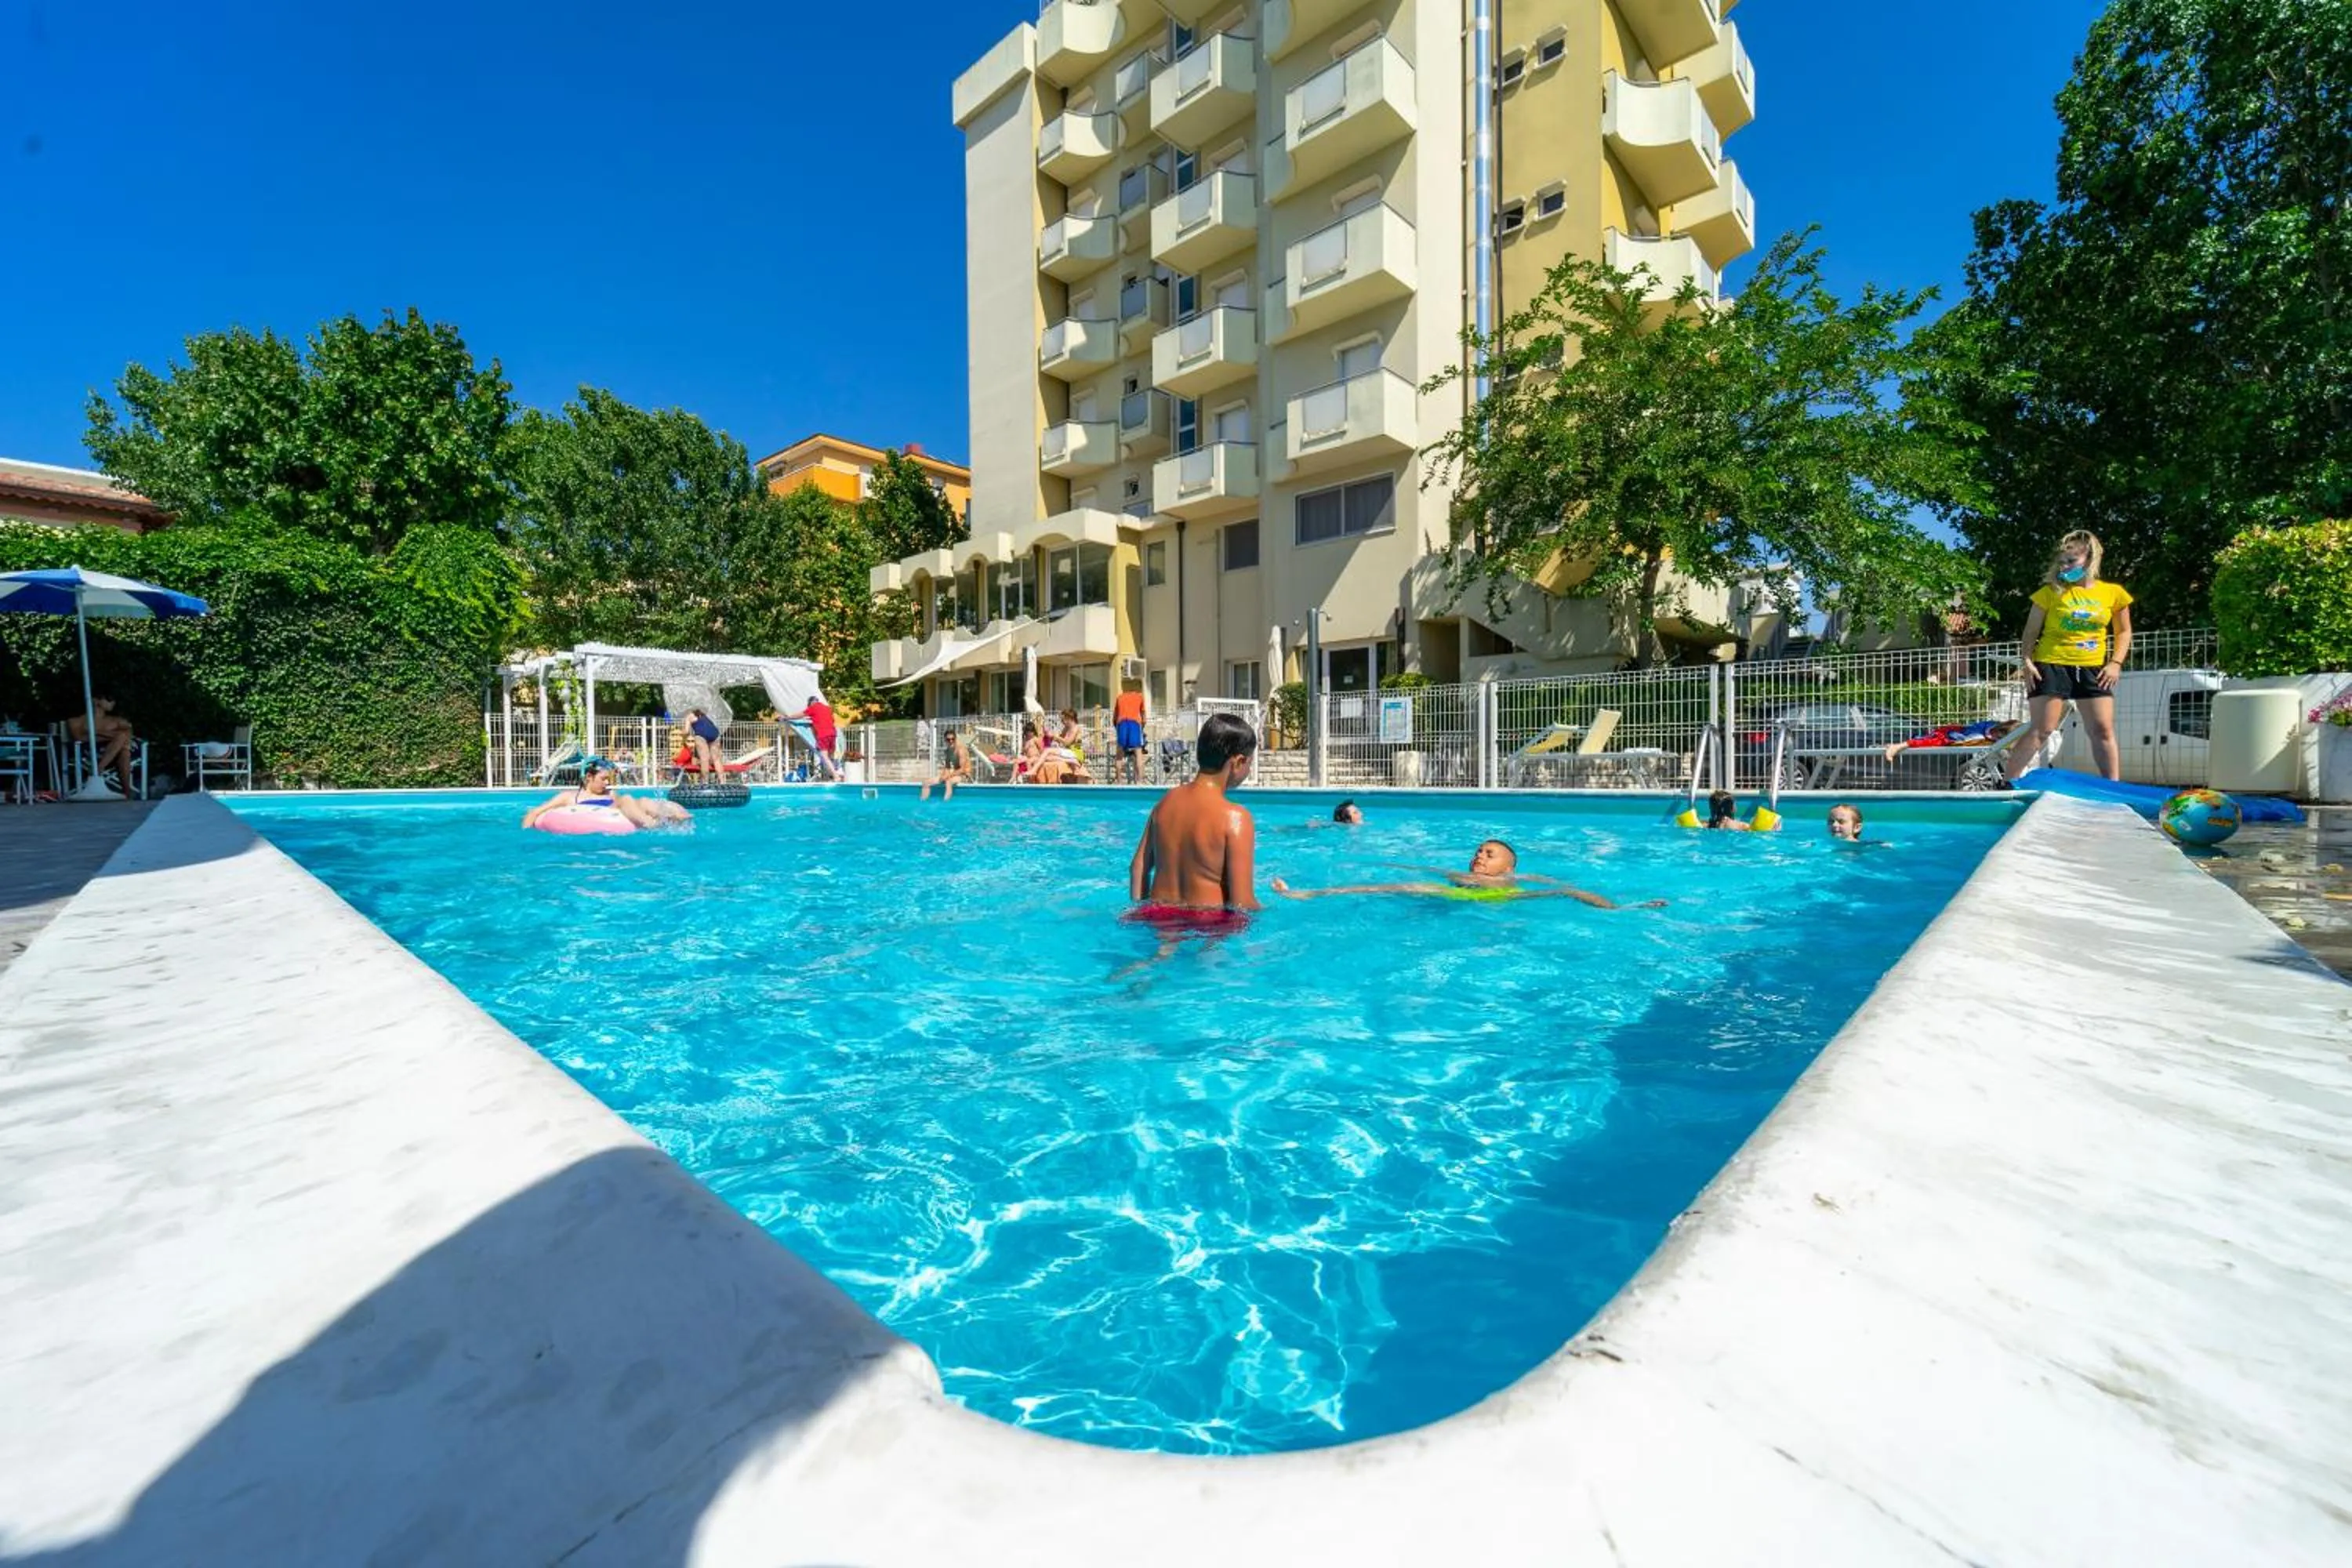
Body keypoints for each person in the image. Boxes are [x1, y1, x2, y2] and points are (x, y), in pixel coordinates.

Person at [2004, 530, 2133, 784]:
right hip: (2051, 664)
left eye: (2071, 561)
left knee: (2102, 730)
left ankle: (2113, 787)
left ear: (2091, 559)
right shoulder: (2050, 593)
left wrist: (2115, 663)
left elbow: (2124, 631)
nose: (2065, 567)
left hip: (2092, 667)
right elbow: (2031, 631)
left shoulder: (2113, 593)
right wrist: (2027, 661)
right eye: (2062, 562)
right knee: (2043, 729)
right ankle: (2007, 785)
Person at [1127, 711, 1261, 922]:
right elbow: (1242, 904)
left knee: (1161, 954)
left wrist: (1142, 911)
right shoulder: (1236, 818)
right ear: (1238, 762)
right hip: (1207, 923)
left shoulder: (1165, 803)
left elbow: (1138, 868)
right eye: (1249, 763)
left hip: (1158, 916)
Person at [1272, 839, 1663, 909]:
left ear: (1508, 866)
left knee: (1567, 896)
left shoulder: (1521, 880)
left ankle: (1625, 909)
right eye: (1478, 851)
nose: (1479, 857)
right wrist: (1396, 865)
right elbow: (1429, 870)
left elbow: (1567, 887)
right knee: (1397, 885)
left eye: (1489, 854)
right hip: (1460, 898)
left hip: (1507, 901)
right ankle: (1308, 893)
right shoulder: (1460, 876)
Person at [521, 756, 688, 829]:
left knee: (643, 800)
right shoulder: (569, 797)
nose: (607, 783)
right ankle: (652, 826)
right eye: (603, 779)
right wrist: (527, 836)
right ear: (588, 777)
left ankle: (675, 816)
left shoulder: (610, 794)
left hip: (620, 810)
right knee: (628, 798)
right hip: (611, 812)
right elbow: (535, 812)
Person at [65, 694, 137, 797]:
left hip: (114, 754)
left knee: (123, 746)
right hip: (89, 755)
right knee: (122, 743)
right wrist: (113, 736)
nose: (112, 703)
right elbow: (79, 738)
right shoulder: (76, 721)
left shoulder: (117, 720)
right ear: (96, 701)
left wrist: (96, 732)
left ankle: (98, 770)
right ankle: (127, 793)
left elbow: (128, 736)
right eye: (109, 699)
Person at [1879, 717, 2022, 761]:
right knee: (1925, 741)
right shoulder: (1981, 735)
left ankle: (1893, 745)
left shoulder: (1992, 727)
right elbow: (1965, 738)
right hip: (1949, 736)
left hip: (1955, 732)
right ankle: (1896, 747)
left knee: (1924, 739)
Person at [1112, 683, 1149, 785]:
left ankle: (1119, 782)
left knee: (1119, 755)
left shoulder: (1120, 698)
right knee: (1138, 754)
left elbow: (1114, 718)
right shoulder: (1139, 697)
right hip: (1134, 724)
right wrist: (1141, 728)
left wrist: (1118, 729)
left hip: (1122, 723)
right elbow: (1144, 718)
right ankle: (1139, 782)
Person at [923, 729, 974, 801]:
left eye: (953, 739)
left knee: (948, 782)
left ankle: (945, 804)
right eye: (948, 739)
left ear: (955, 739)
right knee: (926, 783)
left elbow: (962, 769)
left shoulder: (961, 750)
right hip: (955, 774)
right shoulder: (948, 751)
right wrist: (944, 775)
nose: (951, 741)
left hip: (965, 775)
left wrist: (948, 776)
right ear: (945, 740)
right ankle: (923, 804)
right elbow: (947, 767)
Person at [803, 694, 843, 782]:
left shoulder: (813, 708)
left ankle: (836, 776)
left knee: (824, 757)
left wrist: (787, 717)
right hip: (833, 734)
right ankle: (833, 775)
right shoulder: (828, 708)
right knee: (831, 757)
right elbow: (831, 721)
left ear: (811, 704)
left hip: (823, 735)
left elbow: (800, 714)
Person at [683, 709, 724, 782]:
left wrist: (681, 732)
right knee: (717, 759)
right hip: (715, 734)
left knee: (704, 759)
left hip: (701, 735)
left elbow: (686, 732)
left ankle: (705, 782)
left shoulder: (689, 716)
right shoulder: (704, 714)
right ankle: (723, 781)